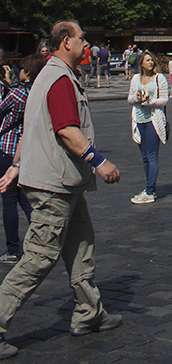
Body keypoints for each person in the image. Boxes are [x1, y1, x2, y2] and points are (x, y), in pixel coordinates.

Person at [0, 21, 122, 357]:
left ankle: (89, 313)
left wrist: (15, 167)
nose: (87, 44)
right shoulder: (59, 79)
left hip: (65, 182)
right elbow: (67, 130)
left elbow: (30, 128)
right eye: (82, 39)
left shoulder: (48, 76)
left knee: (81, 243)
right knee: (39, 258)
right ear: (66, 42)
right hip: (54, 184)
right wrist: (100, 161)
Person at [0, 57, 45, 265]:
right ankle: (43, 239)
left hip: (8, 149)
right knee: (25, 199)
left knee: (9, 201)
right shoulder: (37, 92)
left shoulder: (16, 93)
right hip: (26, 150)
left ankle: (12, 248)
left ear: (26, 72)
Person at [127, 51, 168, 204]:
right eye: (147, 60)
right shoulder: (136, 78)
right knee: (144, 157)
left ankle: (150, 191)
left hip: (152, 120)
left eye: (152, 60)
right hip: (138, 119)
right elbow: (129, 98)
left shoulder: (159, 78)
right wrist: (136, 98)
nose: (151, 62)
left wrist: (150, 102)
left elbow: (164, 99)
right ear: (141, 64)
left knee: (152, 156)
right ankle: (149, 187)